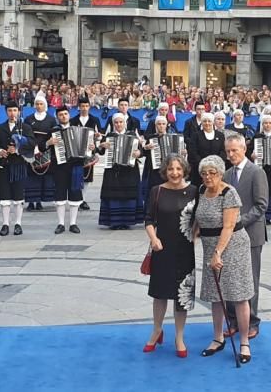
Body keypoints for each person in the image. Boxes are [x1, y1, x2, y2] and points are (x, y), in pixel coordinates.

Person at [195, 155, 254, 364]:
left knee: (238, 293)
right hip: (210, 245)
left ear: (220, 174)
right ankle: (218, 337)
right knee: (215, 294)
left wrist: (218, 253)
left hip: (232, 246)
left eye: (212, 173)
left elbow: (228, 226)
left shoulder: (229, 193)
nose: (208, 177)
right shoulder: (201, 191)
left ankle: (244, 342)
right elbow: (198, 219)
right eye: (204, 173)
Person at [144, 155, 197, 357]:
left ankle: (179, 336)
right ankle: (157, 330)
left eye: (178, 169)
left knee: (181, 296)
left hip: (185, 249)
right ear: (165, 171)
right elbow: (148, 219)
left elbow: (199, 217)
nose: (174, 173)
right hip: (162, 248)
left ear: (184, 170)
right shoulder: (156, 191)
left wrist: (198, 232)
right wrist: (153, 238)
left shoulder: (193, 191)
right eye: (170, 169)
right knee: (160, 293)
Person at [223, 133, 268, 340]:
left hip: (251, 234)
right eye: (228, 151)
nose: (231, 154)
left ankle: (252, 321)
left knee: (250, 280)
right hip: (230, 236)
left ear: (244, 149)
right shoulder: (227, 174)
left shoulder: (256, 172)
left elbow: (261, 205)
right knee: (232, 279)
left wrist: (238, 222)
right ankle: (233, 320)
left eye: (234, 150)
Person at [0, 102, 36, 236]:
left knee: (18, 195)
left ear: (19, 112)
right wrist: (0, 151)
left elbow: (32, 144)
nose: (12, 113)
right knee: (4, 196)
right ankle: (5, 224)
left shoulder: (26, 128)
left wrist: (17, 149)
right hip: (3, 166)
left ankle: (18, 223)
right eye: (10, 110)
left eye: (15, 110)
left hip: (19, 165)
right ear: (6, 112)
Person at [99, 113, 143, 229]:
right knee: (113, 195)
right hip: (113, 171)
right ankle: (114, 222)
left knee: (128, 195)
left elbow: (141, 151)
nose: (119, 124)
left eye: (121, 122)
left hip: (130, 171)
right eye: (116, 122)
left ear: (125, 123)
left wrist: (139, 153)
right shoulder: (109, 136)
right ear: (113, 124)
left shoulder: (132, 135)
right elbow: (101, 152)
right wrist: (101, 145)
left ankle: (127, 221)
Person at [47, 106, 85, 234]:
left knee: (75, 194)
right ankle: (61, 223)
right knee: (60, 195)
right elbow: (41, 147)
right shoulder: (53, 130)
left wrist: (91, 146)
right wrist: (49, 143)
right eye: (61, 115)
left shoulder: (78, 129)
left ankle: (73, 223)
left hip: (76, 166)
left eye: (65, 114)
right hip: (59, 167)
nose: (63, 116)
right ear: (57, 117)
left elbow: (88, 148)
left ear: (69, 115)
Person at [25, 97, 56, 211]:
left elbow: (54, 135)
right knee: (31, 177)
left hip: (46, 150)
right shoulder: (29, 119)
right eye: (37, 104)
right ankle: (30, 201)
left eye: (41, 104)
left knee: (44, 176)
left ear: (45, 105)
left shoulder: (51, 120)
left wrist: (46, 145)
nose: (39, 106)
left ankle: (39, 201)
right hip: (31, 149)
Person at [188, 113, 225, 187]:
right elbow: (193, 153)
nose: (207, 123)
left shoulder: (220, 135)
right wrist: (204, 166)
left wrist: (215, 165)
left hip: (216, 171)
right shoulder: (195, 136)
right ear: (201, 122)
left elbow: (223, 151)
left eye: (209, 121)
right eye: (204, 121)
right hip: (199, 172)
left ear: (213, 122)